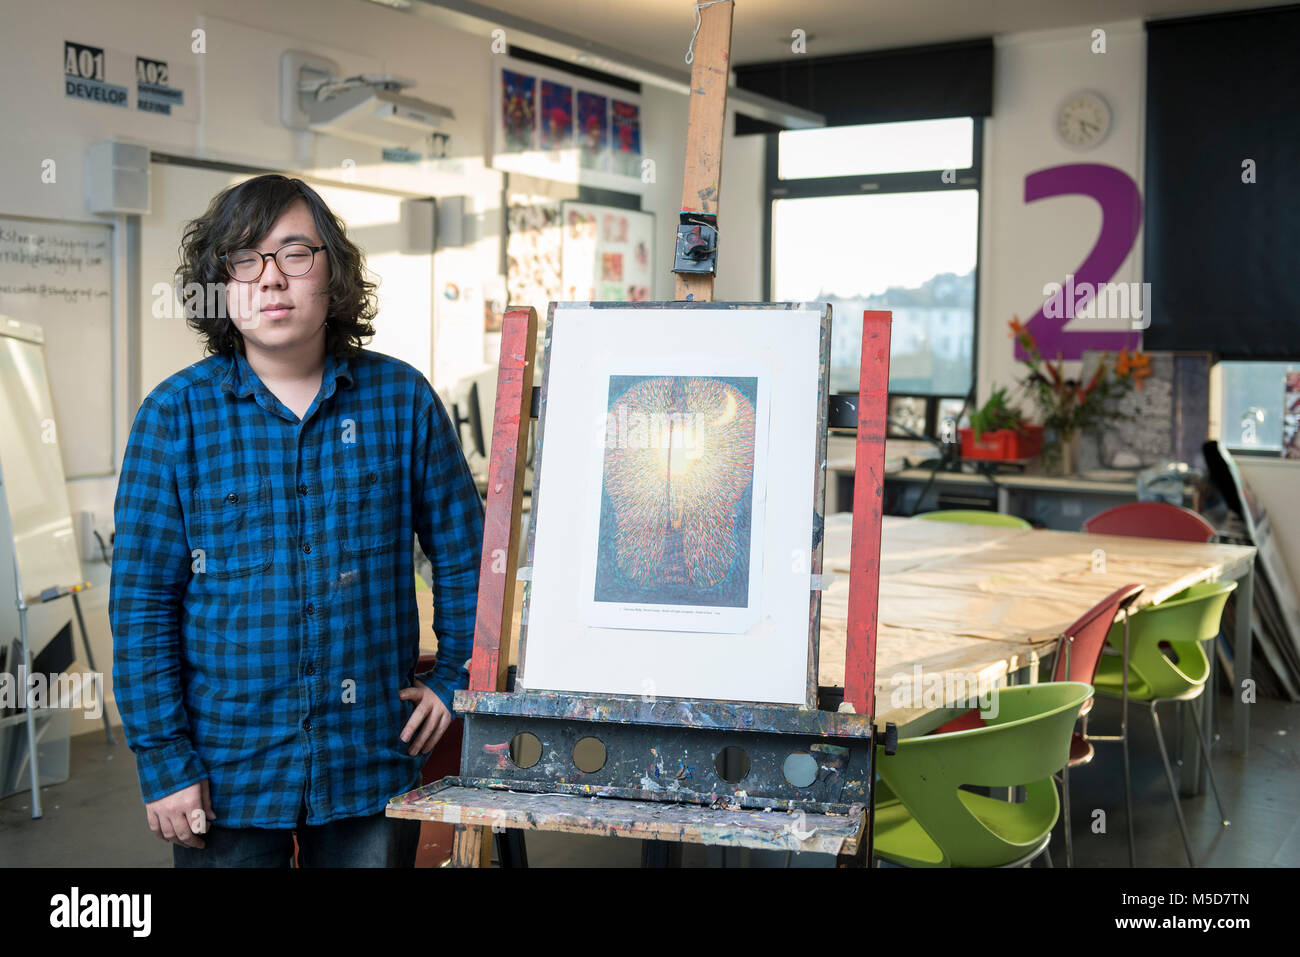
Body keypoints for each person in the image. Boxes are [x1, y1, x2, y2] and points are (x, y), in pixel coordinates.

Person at [110, 174, 484, 867]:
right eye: (245, 259)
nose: (271, 279)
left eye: (295, 254)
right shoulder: (175, 417)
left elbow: (466, 555)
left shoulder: (401, 400)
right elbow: (141, 605)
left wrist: (457, 673)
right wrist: (163, 760)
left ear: (332, 273)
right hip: (226, 770)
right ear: (221, 284)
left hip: (367, 758)